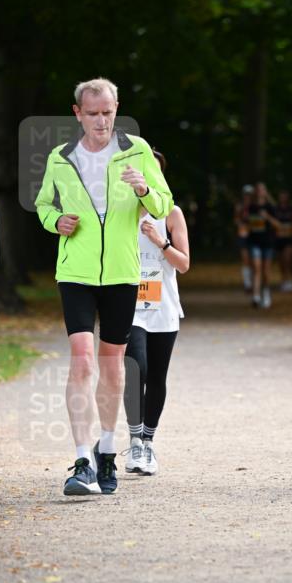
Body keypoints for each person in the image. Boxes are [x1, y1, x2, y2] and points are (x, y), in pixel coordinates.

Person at [35, 78, 173, 496]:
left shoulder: (137, 151)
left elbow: (164, 203)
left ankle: (108, 450)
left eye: (108, 112)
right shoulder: (61, 157)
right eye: (93, 113)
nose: (101, 120)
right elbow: (44, 203)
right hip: (74, 271)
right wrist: (54, 222)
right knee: (81, 360)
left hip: (120, 274)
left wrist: (143, 188)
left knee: (113, 365)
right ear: (77, 113)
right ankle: (81, 460)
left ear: (116, 109)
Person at [123, 150, 190, 476]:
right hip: (129, 306)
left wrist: (161, 242)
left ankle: (148, 444)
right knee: (137, 368)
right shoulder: (121, 212)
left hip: (163, 306)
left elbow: (184, 264)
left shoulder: (172, 214)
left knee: (158, 376)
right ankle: (134, 441)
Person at [247, 181, 276, 308]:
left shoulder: (270, 207)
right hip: (254, 242)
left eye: (262, 189)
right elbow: (245, 223)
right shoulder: (251, 207)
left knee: (266, 271)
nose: (260, 192)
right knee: (257, 268)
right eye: (257, 189)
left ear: (265, 192)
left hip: (268, 242)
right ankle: (256, 296)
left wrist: (267, 217)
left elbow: (278, 225)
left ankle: (266, 294)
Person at [272, 188, 292, 292]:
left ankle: (289, 280)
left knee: (288, 260)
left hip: (289, 239)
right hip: (278, 239)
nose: (283, 197)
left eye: (285, 195)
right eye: (281, 195)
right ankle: (283, 280)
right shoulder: (275, 209)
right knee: (281, 262)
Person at [234, 184, 254, 293]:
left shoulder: (256, 206)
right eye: (246, 194)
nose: (248, 196)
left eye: (250, 195)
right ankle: (248, 283)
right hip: (243, 234)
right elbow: (236, 219)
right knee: (246, 259)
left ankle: (252, 282)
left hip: (255, 235)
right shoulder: (240, 206)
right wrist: (242, 225)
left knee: (253, 260)